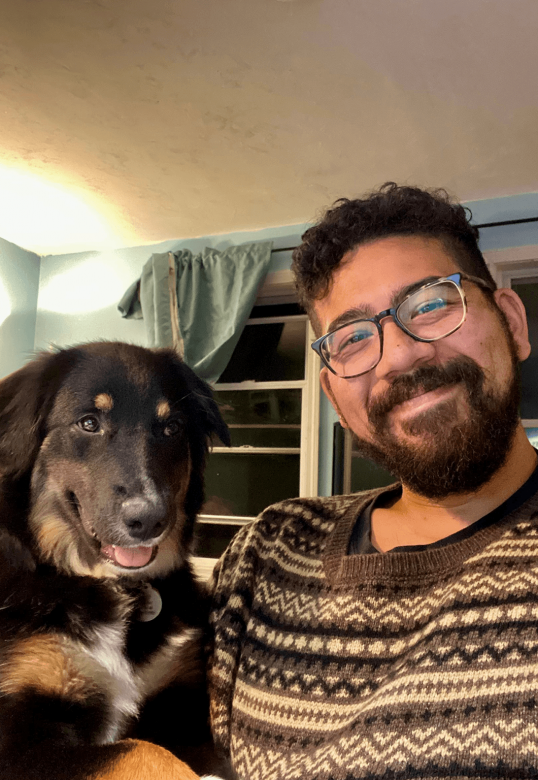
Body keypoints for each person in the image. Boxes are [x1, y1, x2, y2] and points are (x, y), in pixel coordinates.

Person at [206, 183, 538, 780]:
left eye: (432, 304)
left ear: (512, 322)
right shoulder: (269, 550)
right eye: (354, 337)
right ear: (334, 396)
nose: (399, 357)